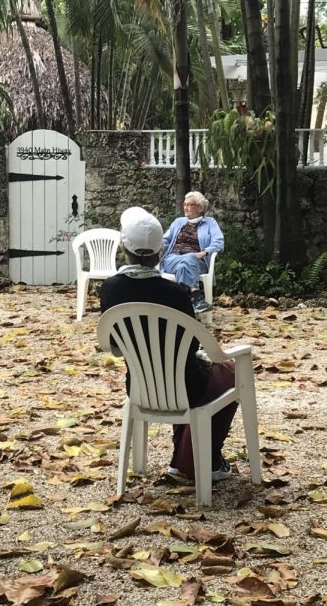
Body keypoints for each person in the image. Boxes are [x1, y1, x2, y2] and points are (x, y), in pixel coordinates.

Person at [100, 207, 236, 481]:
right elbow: (193, 343)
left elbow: (114, 346)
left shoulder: (110, 289)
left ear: (124, 247)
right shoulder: (175, 292)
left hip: (138, 386)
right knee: (232, 373)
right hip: (187, 386)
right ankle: (201, 461)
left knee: (190, 377)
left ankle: (186, 461)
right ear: (160, 252)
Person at [160, 191, 224, 314]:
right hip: (172, 259)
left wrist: (205, 252)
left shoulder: (210, 223)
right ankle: (196, 297)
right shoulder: (178, 222)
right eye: (184, 204)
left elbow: (219, 242)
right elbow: (165, 240)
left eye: (189, 204)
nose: (185, 207)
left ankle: (181, 301)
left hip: (198, 262)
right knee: (188, 258)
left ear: (199, 207)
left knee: (185, 265)